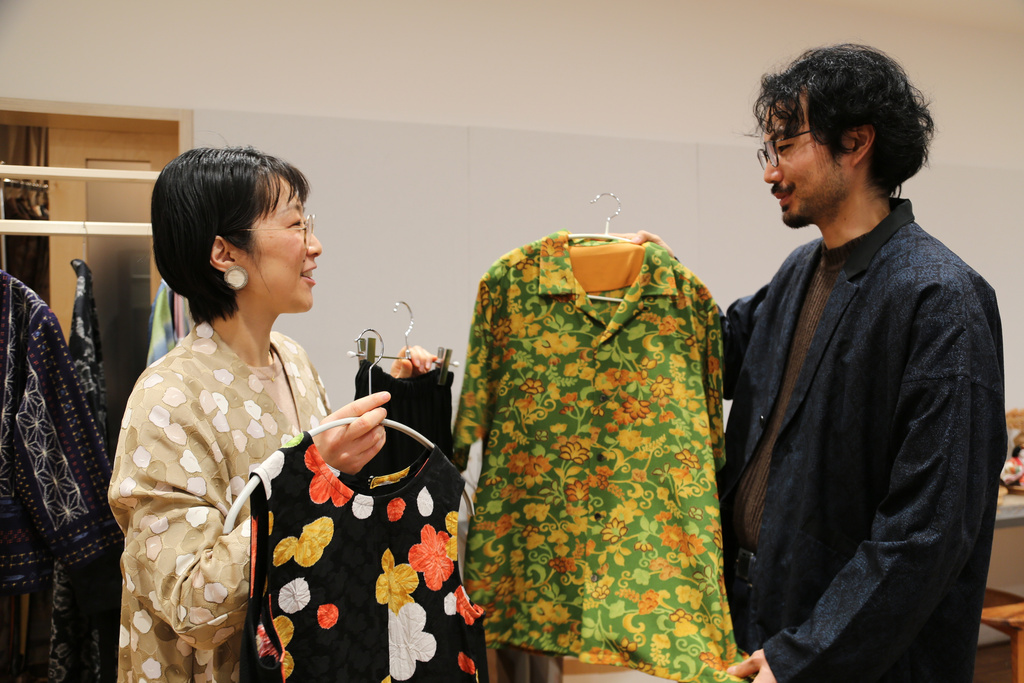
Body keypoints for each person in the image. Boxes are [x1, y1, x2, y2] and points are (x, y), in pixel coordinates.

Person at [628, 44, 1005, 682]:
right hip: (760, 618)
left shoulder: (940, 297)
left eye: (785, 145)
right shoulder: (800, 271)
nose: (770, 171)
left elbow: (928, 531)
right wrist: (660, 287)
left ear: (855, 143)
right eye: (767, 150)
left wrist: (807, 655)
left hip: (854, 654)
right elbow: (716, 357)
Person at [108, 146, 435, 682]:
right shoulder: (167, 397)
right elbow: (191, 603)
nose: (315, 246)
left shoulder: (293, 361)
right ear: (224, 253)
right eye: (295, 225)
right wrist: (310, 473)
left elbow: (329, 502)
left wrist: (391, 400)